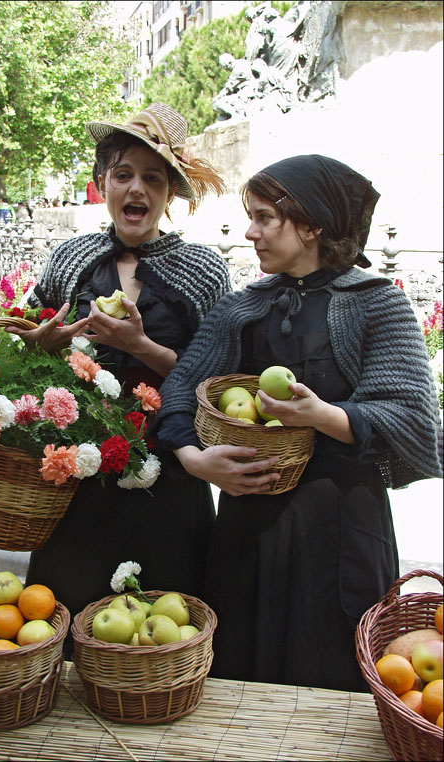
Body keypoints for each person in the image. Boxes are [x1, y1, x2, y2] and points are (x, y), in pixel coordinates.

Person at [154, 154, 443, 692]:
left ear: (310, 224)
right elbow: (178, 393)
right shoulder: (242, 309)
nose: (251, 231)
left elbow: (412, 420)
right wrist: (196, 460)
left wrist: (324, 417)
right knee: (240, 679)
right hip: (247, 528)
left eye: (265, 217)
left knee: (333, 677)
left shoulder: (379, 306)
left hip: (340, 532)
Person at [6, 102, 231, 655]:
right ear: (101, 181)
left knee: (167, 627)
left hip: (169, 474)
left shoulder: (205, 270)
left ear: (170, 194)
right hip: (78, 473)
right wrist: (44, 347)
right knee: (62, 610)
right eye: (123, 174)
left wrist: (141, 348)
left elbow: (218, 385)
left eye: (153, 178)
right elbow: (29, 356)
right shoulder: (70, 258)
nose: (137, 190)